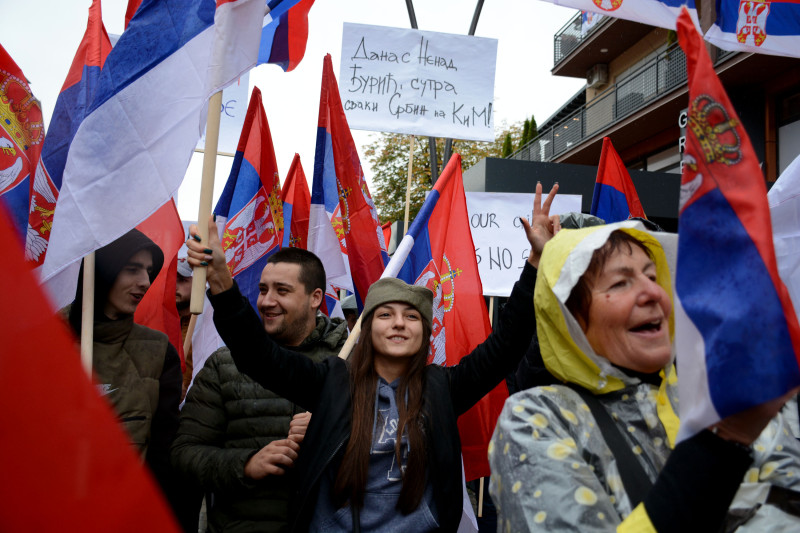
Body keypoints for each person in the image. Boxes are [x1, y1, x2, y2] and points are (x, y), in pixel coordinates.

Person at [184, 184, 556, 532]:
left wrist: (536, 262)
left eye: (411, 317)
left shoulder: (443, 388)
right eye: (385, 314)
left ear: (425, 333)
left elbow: (505, 347)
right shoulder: (331, 381)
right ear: (367, 328)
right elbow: (257, 356)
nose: (398, 324)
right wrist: (221, 281)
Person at [489, 222, 800, 532]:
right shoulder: (537, 419)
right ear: (568, 317)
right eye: (620, 283)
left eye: (653, 276)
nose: (654, 292)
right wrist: (719, 445)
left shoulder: (722, 397)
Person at [171, 248, 349, 532]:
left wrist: (333, 426)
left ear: (315, 298)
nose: (267, 301)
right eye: (263, 289)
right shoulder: (224, 365)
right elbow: (184, 455)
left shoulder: (352, 362)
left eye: (282, 290)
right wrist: (245, 465)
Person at [64, 229, 182, 512]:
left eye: (148, 271)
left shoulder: (157, 351)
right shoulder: (41, 341)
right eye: (132, 269)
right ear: (103, 270)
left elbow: (164, 453)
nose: (144, 282)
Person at [175, 258, 194, 401]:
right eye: (171, 279)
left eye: (181, 280)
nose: (174, 286)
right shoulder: (160, 319)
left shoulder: (209, 322)